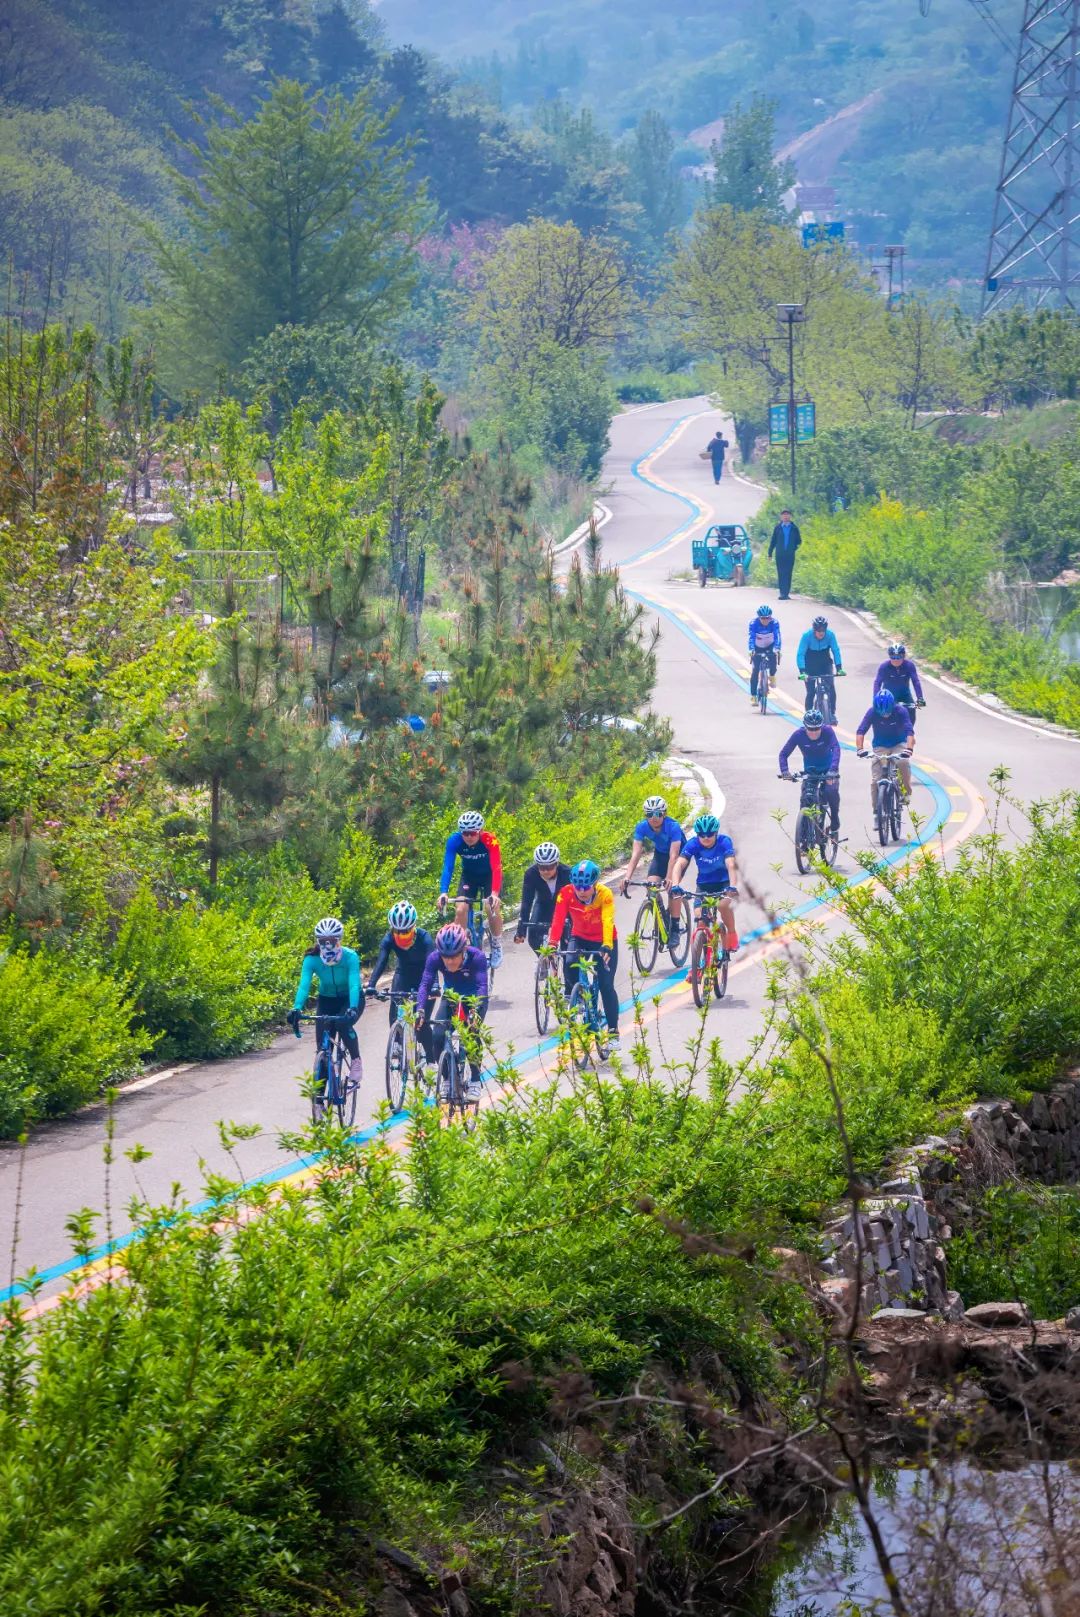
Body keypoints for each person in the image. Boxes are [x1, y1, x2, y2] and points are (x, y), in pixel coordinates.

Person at [286, 916, 365, 1103]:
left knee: (343, 1024)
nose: (328, 945)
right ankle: (319, 1099)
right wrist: (297, 1008)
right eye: (323, 942)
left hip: (350, 999)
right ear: (318, 941)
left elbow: (354, 984)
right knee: (323, 1048)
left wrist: (353, 1008)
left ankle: (356, 1061)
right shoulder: (311, 960)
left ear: (340, 940)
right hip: (327, 999)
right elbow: (304, 986)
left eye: (332, 941)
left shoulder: (350, 957)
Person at [548, 860, 620, 1047]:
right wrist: (552, 943)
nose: (581, 890)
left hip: (603, 940)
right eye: (577, 886)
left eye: (586, 887)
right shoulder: (566, 893)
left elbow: (607, 919)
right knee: (569, 960)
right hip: (579, 936)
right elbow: (558, 918)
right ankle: (578, 997)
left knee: (606, 985)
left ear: (595, 884)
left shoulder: (605, 894)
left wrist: (606, 944)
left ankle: (613, 1032)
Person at [415, 922, 489, 1103]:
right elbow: (425, 985)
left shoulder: (477, 957)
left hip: (473, 999)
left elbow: (482, 987)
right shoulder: (434, 958)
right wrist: (420, 1011)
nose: (449, 962)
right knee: (438, 1036)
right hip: (451, 997)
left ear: (464, 949)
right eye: (445, 957)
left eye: (453, 957)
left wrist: (475, 1012)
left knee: (470, 1035)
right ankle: (447, 1078)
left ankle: (475, 1080)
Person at [366, 900, 436, 1063]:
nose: (402, 936)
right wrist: (371, 985)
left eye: (406, 933)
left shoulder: (425, 938)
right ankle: (397, 1042)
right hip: (403, 974)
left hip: (424, 976)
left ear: (414, 928)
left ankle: (432, 1061)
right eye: (398, 933)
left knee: (421, 1021)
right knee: (396, 1005)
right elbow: (381, 961)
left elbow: (432, 965)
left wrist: (434, 986)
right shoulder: (389, 938)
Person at [438, 809, 504, 968]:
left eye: (472, 833)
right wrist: (443, 892)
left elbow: (497, 867)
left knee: (491, 907)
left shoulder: (490, 840)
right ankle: (459, 947)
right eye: (465, 833)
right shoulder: (454, 841)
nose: (468, 837)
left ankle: (496, 943)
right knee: (460, 909)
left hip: (489, 876)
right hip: (469, 877)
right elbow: (448, 867)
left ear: (480, 831)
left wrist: (494, 893)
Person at [670, 814, 740, 952]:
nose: (706, 838)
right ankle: (699, 963)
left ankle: (732, 933)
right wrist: (675, 885)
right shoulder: (693, 844)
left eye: (710, 834)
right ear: (697, 835)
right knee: (700, 919)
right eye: (702, 835)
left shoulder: (724, 841)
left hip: (724, 883)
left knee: (722, 906)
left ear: (716, 833)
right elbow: (679, 864)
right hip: (704, 885)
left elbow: (731, 864)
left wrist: (732, 887)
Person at [621, 794, 686, 942]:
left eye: (657, 813)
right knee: (651, 888)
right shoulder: (642, 827)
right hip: (660, 855)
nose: (653, 817)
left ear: (664, 814)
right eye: (649, 814)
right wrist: (627, 877)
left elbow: (674, 855)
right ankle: (663, 915)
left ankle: (675, 927)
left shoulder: (673, 826)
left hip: (680, 855)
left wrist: (670, 877)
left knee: (672, 888)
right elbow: (636, 854)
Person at [778, 708, 842, 836]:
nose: (813, 732)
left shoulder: (828, 731)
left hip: (828, 770)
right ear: (805, 727)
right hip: (810, 772)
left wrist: (833, 769)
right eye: (810, 729)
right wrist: (785, 771)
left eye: (816, 729)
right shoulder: (798, 735)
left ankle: (835, 818)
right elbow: (783, 754)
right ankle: (804, 840)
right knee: (805, 801)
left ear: (821, 727)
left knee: (831, 792)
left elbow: (836, 749)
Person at [855, 689, 915, 809]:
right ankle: (877, 811)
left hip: (899, 743)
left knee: (903, 762)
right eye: (881, 712)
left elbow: (909, 731)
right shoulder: (872, 712)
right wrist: (860, 749)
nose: (884, 715)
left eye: (887, 712)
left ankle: (906, 793)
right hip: (880, 746)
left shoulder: (900, 711)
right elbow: (861, 731)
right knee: (875, 780)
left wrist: (909, 749)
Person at [515, 841, 572, 957]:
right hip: (543, 904)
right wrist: (521, 929)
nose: (545, 871)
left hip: (565, 907)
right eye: (541, 867)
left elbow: (575, 900)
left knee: (568, 941)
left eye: (550, 867)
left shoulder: (567, 873)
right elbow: (527, 901)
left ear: (557, 864)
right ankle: (545, 961)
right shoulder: (531, 874)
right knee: (533, 937)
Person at [874, 643, 926, 723]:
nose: (896, 660)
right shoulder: (884, 666)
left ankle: (909, 733)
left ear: (903, 656)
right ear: (889, 656)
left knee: (912, 711)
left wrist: (920, 698)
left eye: (899, 657)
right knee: (885, 714)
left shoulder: (909, 665)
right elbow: (877, 683)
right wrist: (876, 698)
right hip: (889, 695)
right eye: (893, 657)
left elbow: (916, 682)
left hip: (905, 695)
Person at [747, 604, 782, 706]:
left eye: (767, 618)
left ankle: (772, 676)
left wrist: (777, 648)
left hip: (770, 646)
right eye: (763, 618)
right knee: (755, 671)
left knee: (773, 661)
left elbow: (777, 636)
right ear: (759, 617)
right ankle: (753, 696)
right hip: (757, 647)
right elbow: (751, 637)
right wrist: (751, 649)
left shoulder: (774, 623)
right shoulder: (753, 623)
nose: (765, 620)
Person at [768, 508, 801, 599]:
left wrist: (792, 549)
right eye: (784, 514)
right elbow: (773, 541)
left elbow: (799, 541)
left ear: (790, 516)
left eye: (787, 514)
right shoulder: (778, 528)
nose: (786, 516)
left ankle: (786, 593)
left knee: (788, 573)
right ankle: (782, 593)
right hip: (780, 555)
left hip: (790, 555)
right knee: (781, 573)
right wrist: (770, 553)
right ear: (781, 516)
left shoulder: (794, 528)